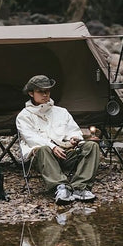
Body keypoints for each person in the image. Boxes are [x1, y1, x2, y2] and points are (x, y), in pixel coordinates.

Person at [16, 75, 101, 205]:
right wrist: (52, 147)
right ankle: (61, 188)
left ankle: (80, 187)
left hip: (65, 153)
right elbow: (31, 138)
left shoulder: (61, 112)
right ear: (31, 93)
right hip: (43, 158)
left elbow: (73, 130)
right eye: (41, 91)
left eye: (47, 91)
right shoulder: (24, 116)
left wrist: (74, 138)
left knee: (91, 146)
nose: (45, 95)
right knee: (43, 149)